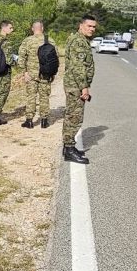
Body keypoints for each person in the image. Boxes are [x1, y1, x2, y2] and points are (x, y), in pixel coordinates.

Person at [62, 15, 96, 164]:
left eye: (94, 27)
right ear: (81, 25)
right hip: (76, 86)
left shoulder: (78, 39)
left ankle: (69, 147)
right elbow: (78, 68)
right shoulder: (79, 42)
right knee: (74, 118)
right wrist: (84, 88)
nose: (92, 29)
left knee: (72, 116)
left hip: (73, 84)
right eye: (89, 26)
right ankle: (69, 150)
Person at [16, 20, 53, 128]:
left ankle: (30, 120)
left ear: (32, 29)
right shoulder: (49, 40)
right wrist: (53, 73)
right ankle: (44, 121)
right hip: (45, 73)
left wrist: (24, 72)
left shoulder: (27, 41)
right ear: (42, 28)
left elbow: (21, 58)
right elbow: (55, 59)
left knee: (31, 96)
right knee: (44, 96)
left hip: (31, 74)